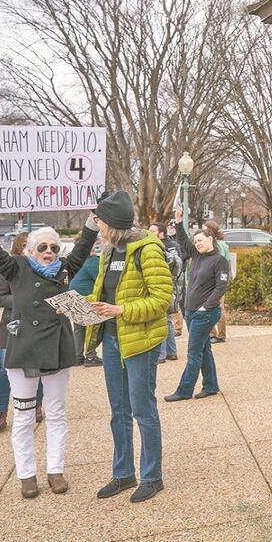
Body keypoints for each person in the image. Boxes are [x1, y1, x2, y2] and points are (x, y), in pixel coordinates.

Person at [0, 195, 98, 498]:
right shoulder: (15, 268)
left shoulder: (65, 269)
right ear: (30, 250)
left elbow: (85, 245)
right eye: (43, 247)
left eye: (54, 247)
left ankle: (55, 471)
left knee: (57, 412)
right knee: (22, 416)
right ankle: (26, 475)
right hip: (22, 351)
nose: (49, 252)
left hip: (57, 349)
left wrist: (93, 215)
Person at [86, 191, 173, 503]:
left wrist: (122, 310)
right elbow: (106, 294)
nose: (98, 228)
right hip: (111, 339)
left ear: (114, 224)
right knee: (118, 411)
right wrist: (82, 308)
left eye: (101, 223)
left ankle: (152, 476)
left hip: (140, 342)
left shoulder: (148, 250)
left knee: (142, 410)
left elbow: (162, 299)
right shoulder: (108, 252)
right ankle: (123, 473)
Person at [164, 225, 231, 402]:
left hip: (205, 314)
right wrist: (178, 223)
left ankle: (184, 390)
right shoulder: (197, 256)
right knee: (204, 350)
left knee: (193, 353)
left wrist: (206, 306)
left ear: (211, 239)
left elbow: (221, 287)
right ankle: (211, 386)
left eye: (200, 240)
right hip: (192, 312)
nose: (197, 244)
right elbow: (184, 242)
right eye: (196, 242)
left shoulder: (219, 261)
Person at [0, 232, 44, 432]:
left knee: (37, 368)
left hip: (36, 326)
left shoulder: (41, 267)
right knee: (5, 369)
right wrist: (22, 303)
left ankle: (37, 406)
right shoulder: (8, 267)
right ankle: (1, 412)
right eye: (26, 245)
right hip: (11, 326)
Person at [148, 223, 183, 363]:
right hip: (172, 285)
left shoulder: (158, 247)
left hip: (161, 286)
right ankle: (171, 352)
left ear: (161, 234)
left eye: (152, 230)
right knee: (167, 319)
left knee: (160, 319)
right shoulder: (173, 245)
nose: (148, 232)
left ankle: (161, 354)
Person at [69, 234, 105, 367]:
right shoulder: (91, 260)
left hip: (73, 293)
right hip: (85, 295)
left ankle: (77, 356)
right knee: (91, 325)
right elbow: (100, 279)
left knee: (79, 327)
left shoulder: (75, 260)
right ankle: (90, 356)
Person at [204, 219, 231, 343]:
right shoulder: (223, 244)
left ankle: (219, 334)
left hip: (215, 280)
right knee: (218, 306)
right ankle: (216, 333)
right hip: (220, 279)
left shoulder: (217, 245)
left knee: (217, 307)